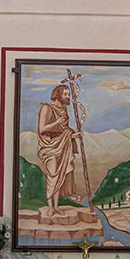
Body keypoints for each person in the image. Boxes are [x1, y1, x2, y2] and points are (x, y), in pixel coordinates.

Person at [36, 84, 82, 216]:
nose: (68, 97)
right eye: (65, 94)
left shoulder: (64, 110)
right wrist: (57, 122)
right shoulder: (47, 108)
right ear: (58, 94)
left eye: (69, 94)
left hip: (62, 145)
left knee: (59, 177)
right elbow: (42, 129)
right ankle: (50, 208)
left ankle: (56, 207)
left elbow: (63, 131)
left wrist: (74, 136)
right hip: (49, 146)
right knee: (52, 177)